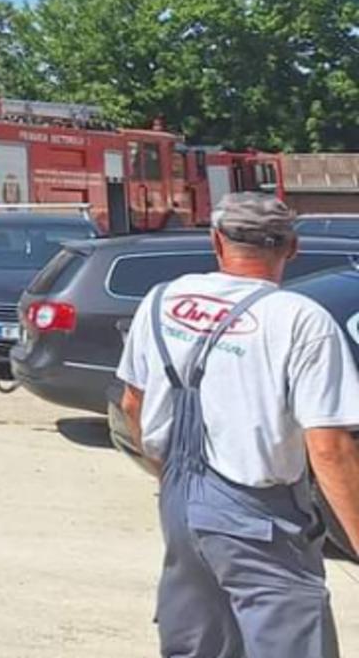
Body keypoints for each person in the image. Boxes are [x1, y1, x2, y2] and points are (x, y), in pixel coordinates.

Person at [118, 193, 359, 656]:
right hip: (260, 521)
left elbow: (133, 404)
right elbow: (329, 447)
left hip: (181, 507)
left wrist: (171, 479)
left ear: (216, 241)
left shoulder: (163, 300)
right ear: (292, 247)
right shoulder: (299, 320)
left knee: (200, 645)